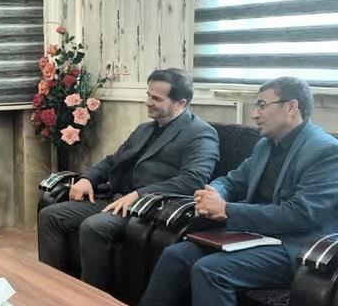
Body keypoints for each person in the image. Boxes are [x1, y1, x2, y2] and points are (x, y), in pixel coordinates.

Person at [138, 76, 338, 306]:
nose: (255, 114)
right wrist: (214, 193)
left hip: (304, 247)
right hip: (258, 236)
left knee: (211, 270)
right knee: (177, 255)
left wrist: (227, 211)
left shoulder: (327, 151)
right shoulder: (265, 145)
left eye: (262, 105)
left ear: (291, 107)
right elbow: (232, 180)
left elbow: (301, 214)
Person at [37, 68, 219, 290]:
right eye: (148, 95)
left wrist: (138, 195)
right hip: (115, 198)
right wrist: (87, 179)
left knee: (94, 227)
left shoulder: (200, 134)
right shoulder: (144, 129)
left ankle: (92, 302)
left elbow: (192, 180)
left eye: (156, 98)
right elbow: (113, 160)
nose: (148, 102)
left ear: (181, 103)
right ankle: (52, 289)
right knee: (50, 216)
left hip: (148, 210)